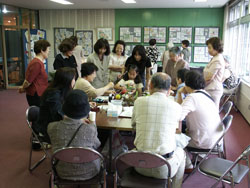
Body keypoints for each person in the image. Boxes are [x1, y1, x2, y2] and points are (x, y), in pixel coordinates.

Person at [132, 73, 186, 188]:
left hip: (139, 164)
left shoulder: (138, 101)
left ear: (150, 85)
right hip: (164, 168)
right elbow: (177, 129)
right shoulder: (176, 107)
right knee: (182, 152)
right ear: (169, 89)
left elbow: (133, 125)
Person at [48, 89, 101, 181]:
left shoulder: (52, 127)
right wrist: (93, 124)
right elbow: (97, 145)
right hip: (89, 171)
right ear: (86, 111)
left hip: (62, 171)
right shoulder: (90, 128)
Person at [177, 70, 222, 171]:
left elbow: (177, 116)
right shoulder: (206, 94)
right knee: (182, 128)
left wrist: (180, 93)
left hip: (203, 141)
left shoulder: (192, 97)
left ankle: (188, 165)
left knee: (175, 137)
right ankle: (199, 157)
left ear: (187, 84)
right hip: (217, 140)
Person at [34, 67, 76, 142]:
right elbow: (59, 115)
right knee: (80, 132)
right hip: (48, 128)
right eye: (73, 79)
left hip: (55, 123)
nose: (74, 81)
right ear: (66, 81)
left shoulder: (61, 90)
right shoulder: (53, 95)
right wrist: (77, 119)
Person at [18, 39, 51, 107]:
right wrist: (22, 88)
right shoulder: (36, 63)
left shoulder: (39, 62)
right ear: (42, 50)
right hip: (36, 95)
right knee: (37, 115)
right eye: (48, 50)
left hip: (39, 94)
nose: (49, 52)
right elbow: (28, 81)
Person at [203, 37, 225, 109]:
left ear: (216, 48)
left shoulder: (217, 60)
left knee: (212, 111)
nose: (208, 50)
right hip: (210, 88)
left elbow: (209, 77)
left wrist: (200, 85)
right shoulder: (215, 58)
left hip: (213, 90)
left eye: (210, 48)